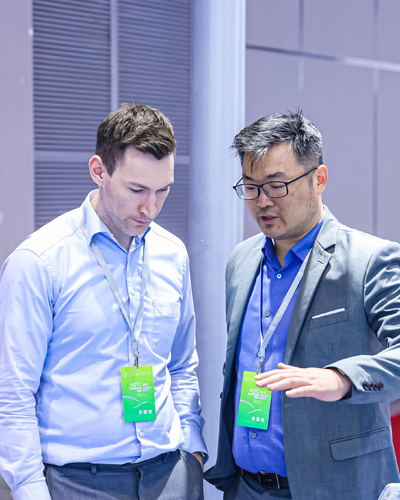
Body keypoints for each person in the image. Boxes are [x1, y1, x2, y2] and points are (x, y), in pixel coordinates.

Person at [0, 103, 206, 500]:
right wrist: (29, 489)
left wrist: (192, 452)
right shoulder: (39, 262)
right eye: (137, 190)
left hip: (170, 475)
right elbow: (13, 394)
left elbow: (182, 366)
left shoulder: (173, 253)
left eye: (163, 190)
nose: (150, 207)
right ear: (99, 171)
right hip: (78, 482)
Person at [204, 110, 400, 500]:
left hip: (335, 488)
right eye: (250, 187)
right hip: (244, 487)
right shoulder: (241, 262)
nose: (262, 202)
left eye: (276, 186)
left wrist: (343, 378)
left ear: (319, 179)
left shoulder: (368, 260)